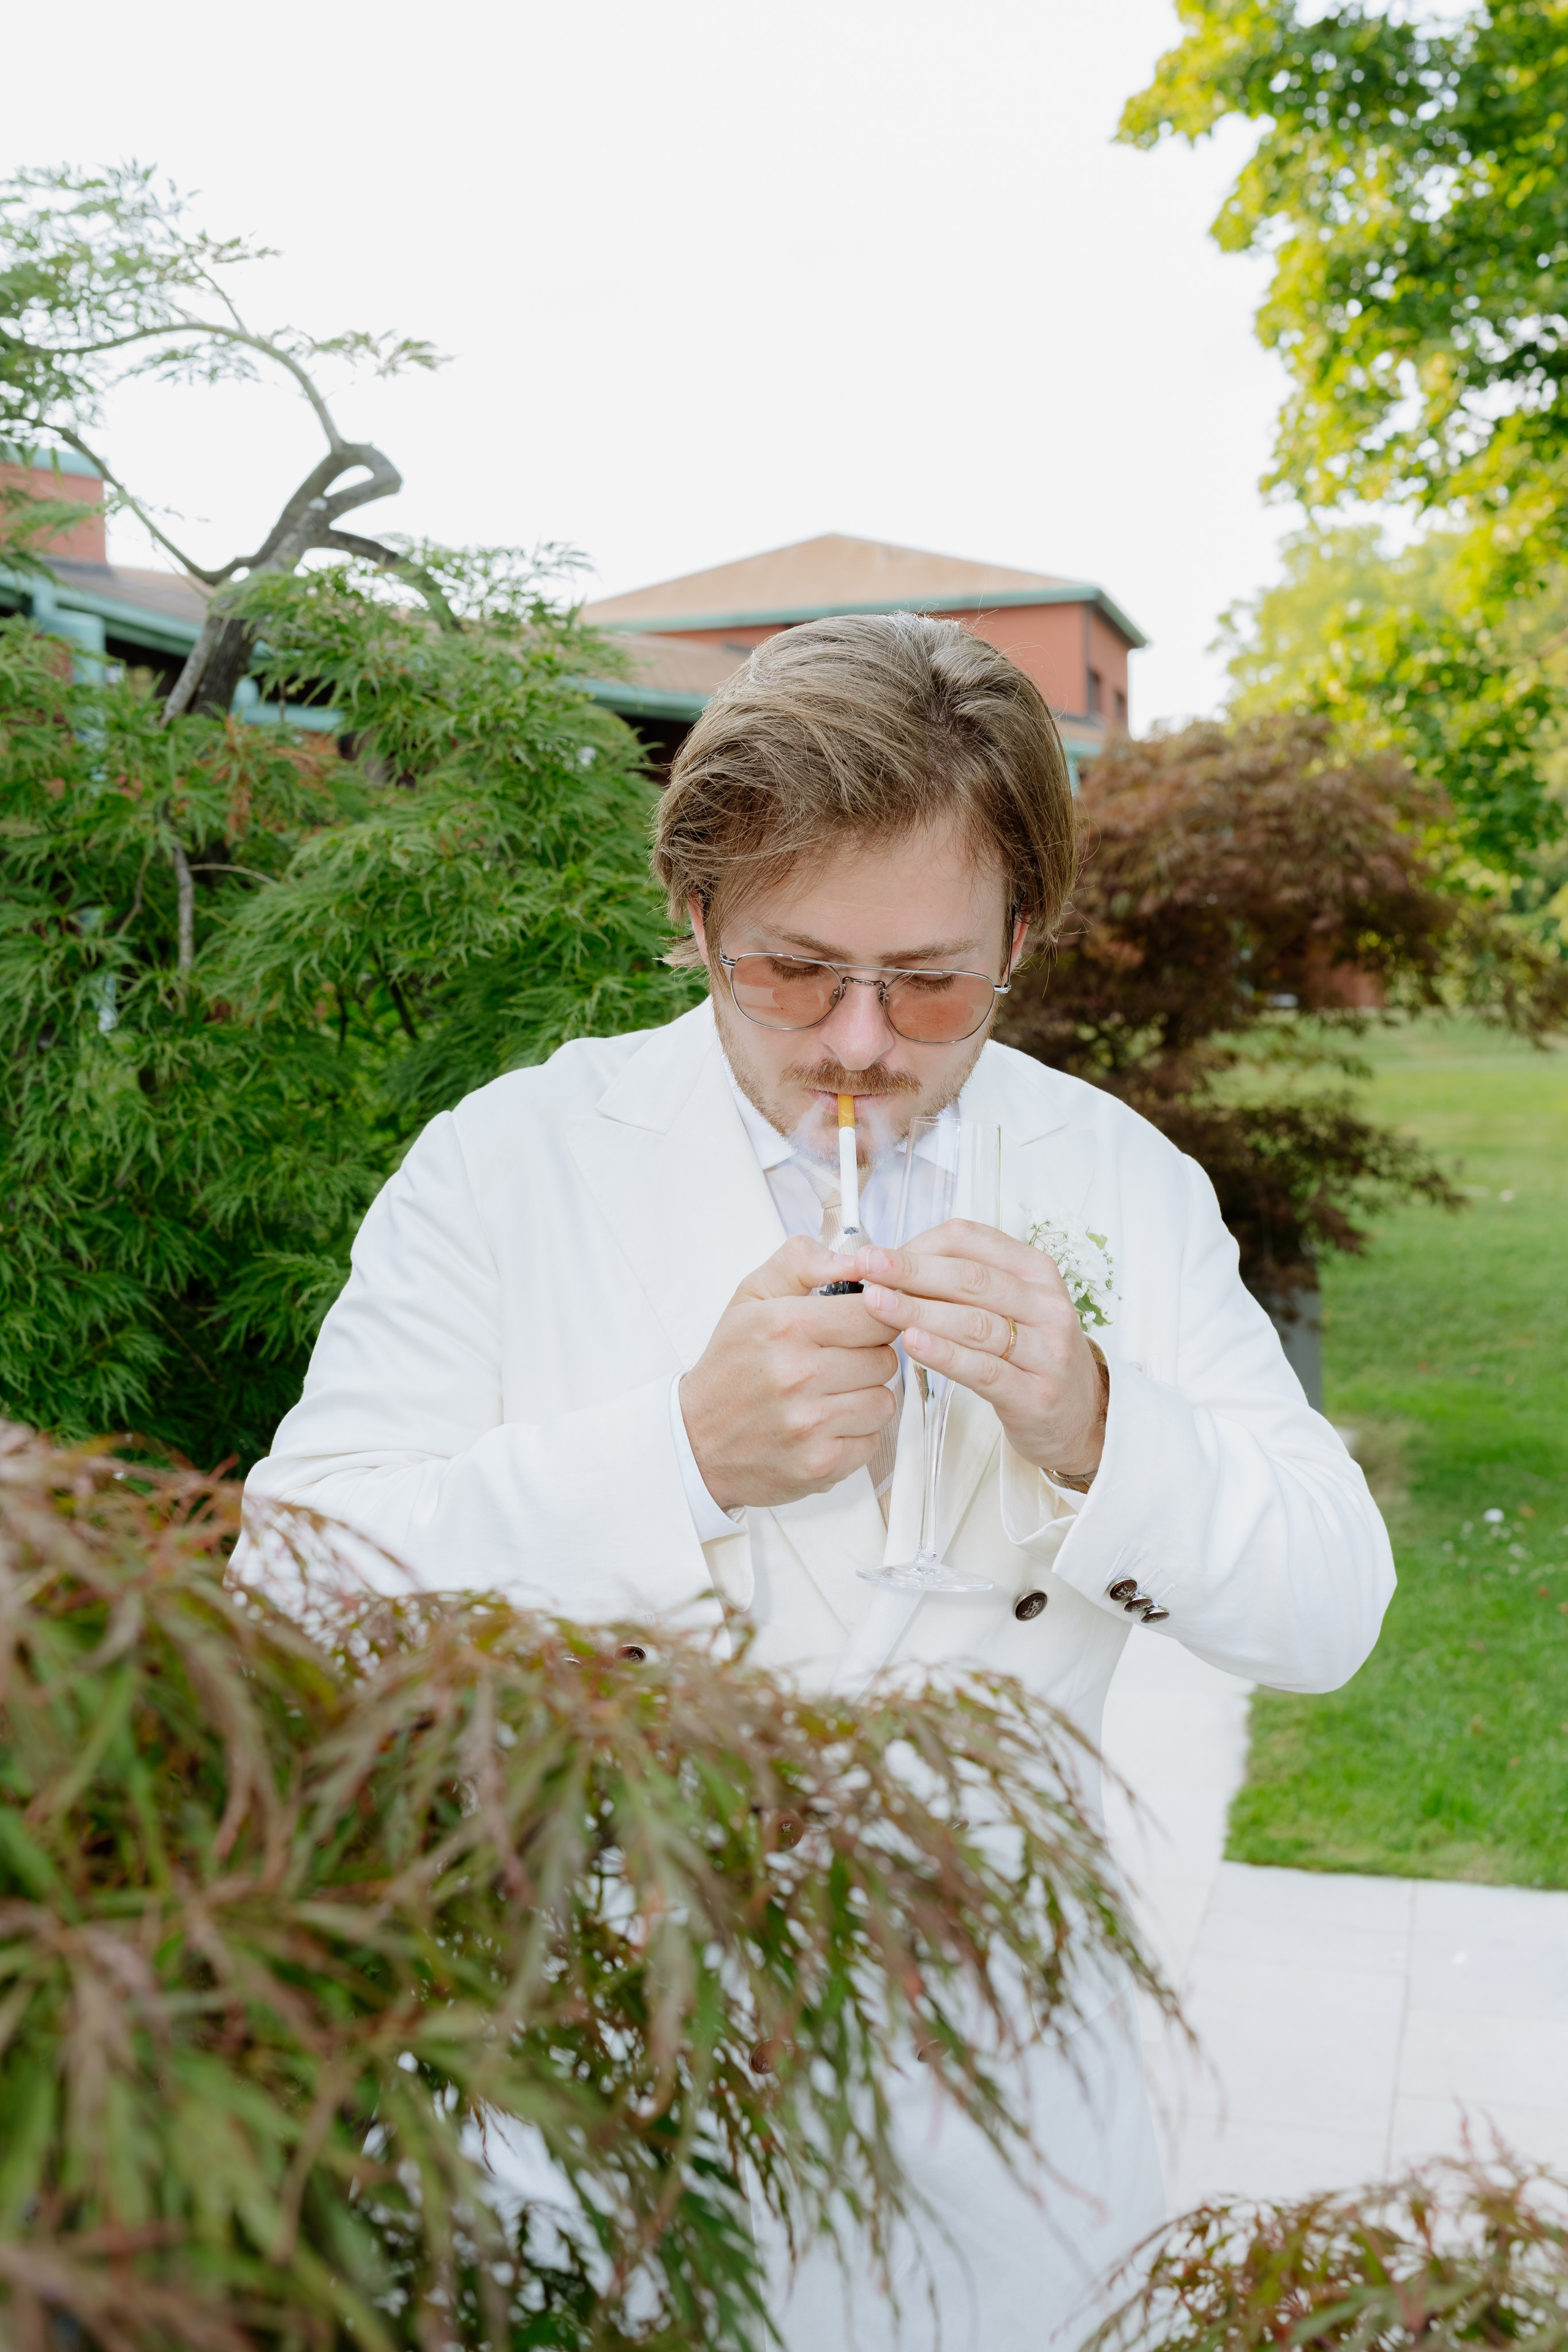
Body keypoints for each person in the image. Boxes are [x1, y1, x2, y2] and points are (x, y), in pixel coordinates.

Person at [243, 613, 1395, 2346]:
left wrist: (1098, 1427)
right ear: (695, 915)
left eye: (931, 983)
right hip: (590, 2086)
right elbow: (290, 1594)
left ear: (1024, 935)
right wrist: (676, 1457)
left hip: (993, 2105)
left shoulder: (1123, 1185)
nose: (861, 1042)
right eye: (793, 971)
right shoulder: (505, 1168)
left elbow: (1330, 1610)